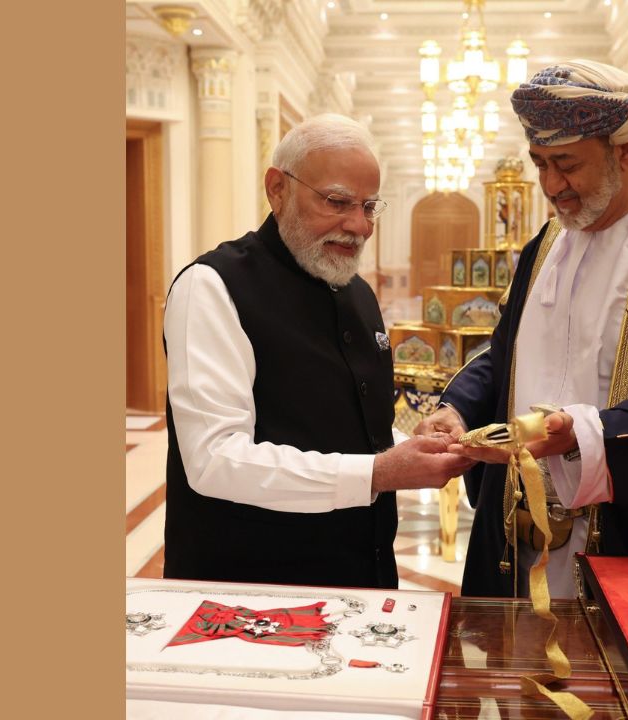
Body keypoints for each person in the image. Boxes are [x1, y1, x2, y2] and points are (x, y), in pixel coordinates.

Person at [416, 61, 628, 598]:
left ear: (627, 148)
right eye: (540, 163)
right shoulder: (544, 245)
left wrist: (582, 435)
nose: (551, 185)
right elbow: (506, 353)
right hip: (516, 527)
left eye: (567, 164)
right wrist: (458, 407)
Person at [162, 113, 472, 589]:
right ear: (277, 189)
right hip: (252, 590)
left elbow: (341, 421)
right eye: (337, 202)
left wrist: (409, 444)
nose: (359, 225)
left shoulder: (358, 293)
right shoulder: (213, 287)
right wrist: (378, 472)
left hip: (362, 579)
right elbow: (214, 460)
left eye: (369, 206)